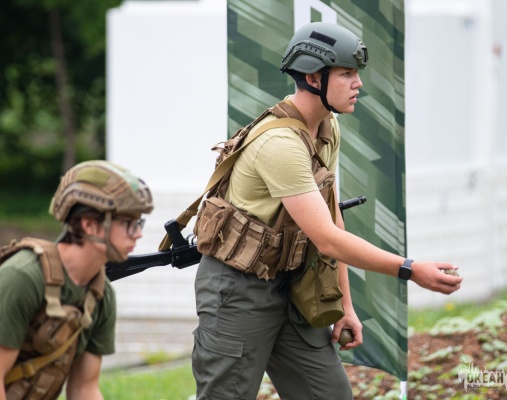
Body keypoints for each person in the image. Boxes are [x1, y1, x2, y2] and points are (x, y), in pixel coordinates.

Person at [191, 22, 463, 399]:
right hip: (238, 290)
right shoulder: (281, 144)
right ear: (313, 77)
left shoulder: (325, 127)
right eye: (347, 74)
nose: (358, 84)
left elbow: (333, 217)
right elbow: (328, 240)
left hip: (291, 284)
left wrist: (344, 305)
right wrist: (410, 269)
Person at [0, 160, 153, 400]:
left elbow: (84, 389)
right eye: (129, 224)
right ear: (90, 225)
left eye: (138, 223)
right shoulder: (22, 278)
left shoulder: (99, 294)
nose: (138, 234)